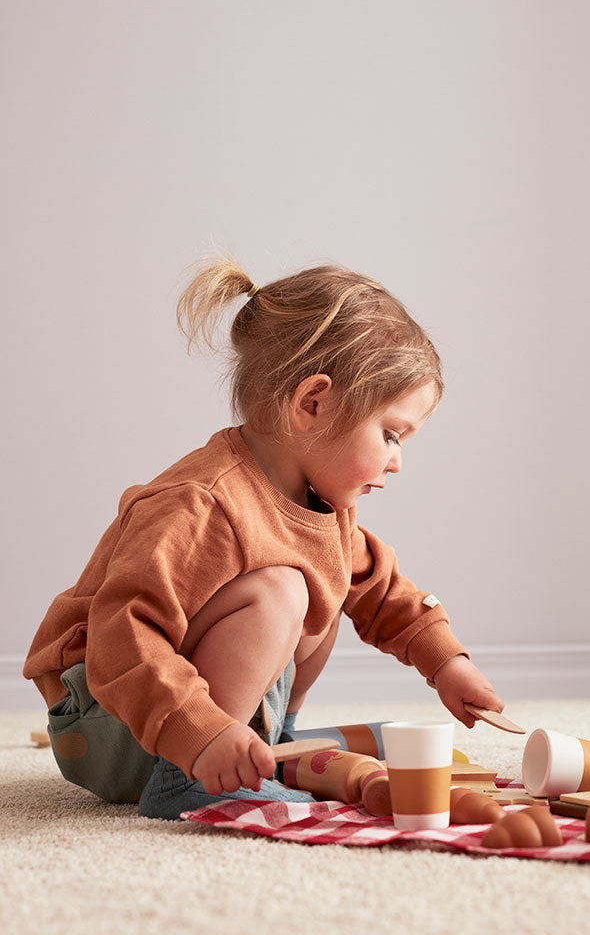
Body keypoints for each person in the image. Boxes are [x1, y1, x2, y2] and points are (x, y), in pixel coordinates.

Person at [24, 257, 504, 819]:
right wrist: (200, 733)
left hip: (178, 708)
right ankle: (187, 780)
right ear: (312, 404)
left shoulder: (322, 505)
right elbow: (121, 639)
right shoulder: (201, 502)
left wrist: (446, 663)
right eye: (391, 434)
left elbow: (381, 589)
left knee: (327, 581)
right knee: (282, 590)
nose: (397, 462)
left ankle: (266, 747)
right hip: (113, 713)